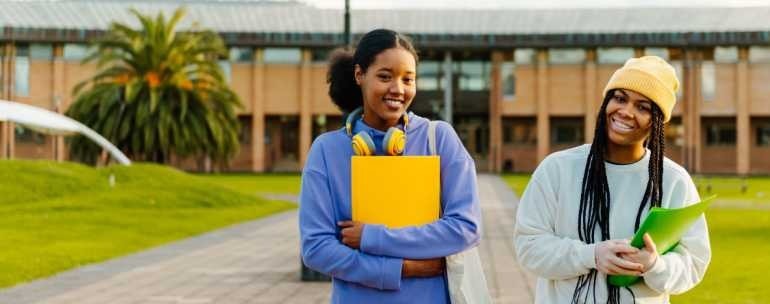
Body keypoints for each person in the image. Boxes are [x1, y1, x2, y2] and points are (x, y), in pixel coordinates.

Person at [299, 28, 482, 303]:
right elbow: (316, 248)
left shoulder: (439, 138)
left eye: (408, 79)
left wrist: (373, 237)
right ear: (360, 75)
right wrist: (401, 268)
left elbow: (465, 227)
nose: (398, 89)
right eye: (385, 77)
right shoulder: (326, 150)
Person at [514, 56, 711, 303]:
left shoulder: (673, 181)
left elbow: (694, 263)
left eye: (643, 107)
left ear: (658, 122)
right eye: (620, 98)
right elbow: (529, 246)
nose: (626, 112)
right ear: (606, 102)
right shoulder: (557, 169)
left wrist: (654, 265)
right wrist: (592, 255)